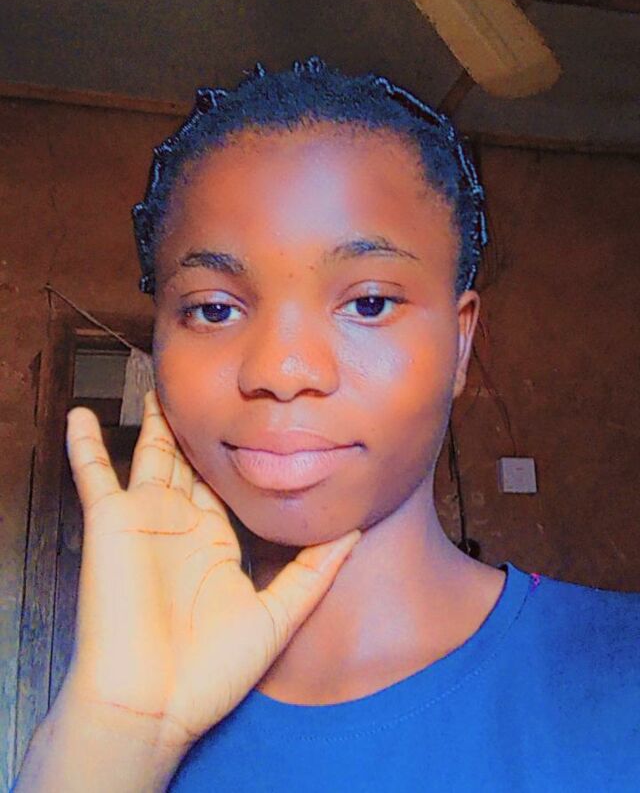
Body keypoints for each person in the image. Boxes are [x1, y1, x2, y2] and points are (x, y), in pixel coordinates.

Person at [13, 56, 640, 792]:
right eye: (214, 308)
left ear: (461, 341)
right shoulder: (108, 723)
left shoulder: (616, 673)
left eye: (368, 303)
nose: (281, 370)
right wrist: (114, 730)